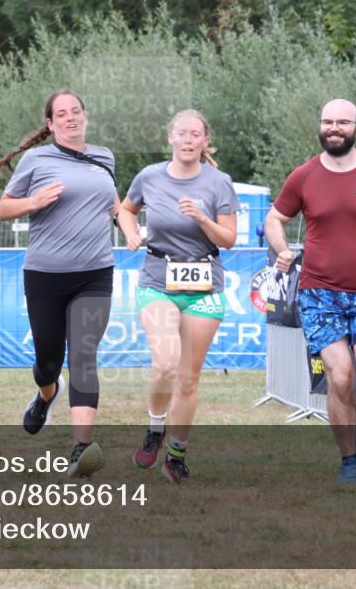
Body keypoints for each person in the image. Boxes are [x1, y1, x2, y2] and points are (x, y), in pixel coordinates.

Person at [265, 98, 356, 484]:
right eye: (328, 121)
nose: (334, 128)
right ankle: (348, 458)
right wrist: (282, 249)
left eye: (342, 122)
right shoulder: (304, 175)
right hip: (319, 294)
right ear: (320, 126)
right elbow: (276, 218)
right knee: (341, 378)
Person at [0, 89, 119, 479]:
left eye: (76, 111)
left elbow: (114, 206)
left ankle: (81, 448)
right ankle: (46, 393)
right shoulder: (36, 159)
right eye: (61, 114)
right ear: (50, 124)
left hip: (96, 273)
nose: (70, 118)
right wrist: (34, 202)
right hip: (46, 274)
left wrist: (130, 227)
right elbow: (4, 209)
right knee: (48, 362)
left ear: (85, 117)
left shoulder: (105, 157)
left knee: (83, 356)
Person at [118, 110, 238, 483]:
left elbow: (229, 239)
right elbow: (125, 209)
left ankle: (176, 455)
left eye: (196, 135)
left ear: (205, 141)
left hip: (204, 283)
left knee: (187, 379)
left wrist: (203, 219)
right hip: (157, 280)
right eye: (182, 133)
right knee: (166, 362)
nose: (188, 140)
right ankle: (156, 429)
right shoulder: (149, 177)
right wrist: (130, 231)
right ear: (170, 137)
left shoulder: (219, 183)